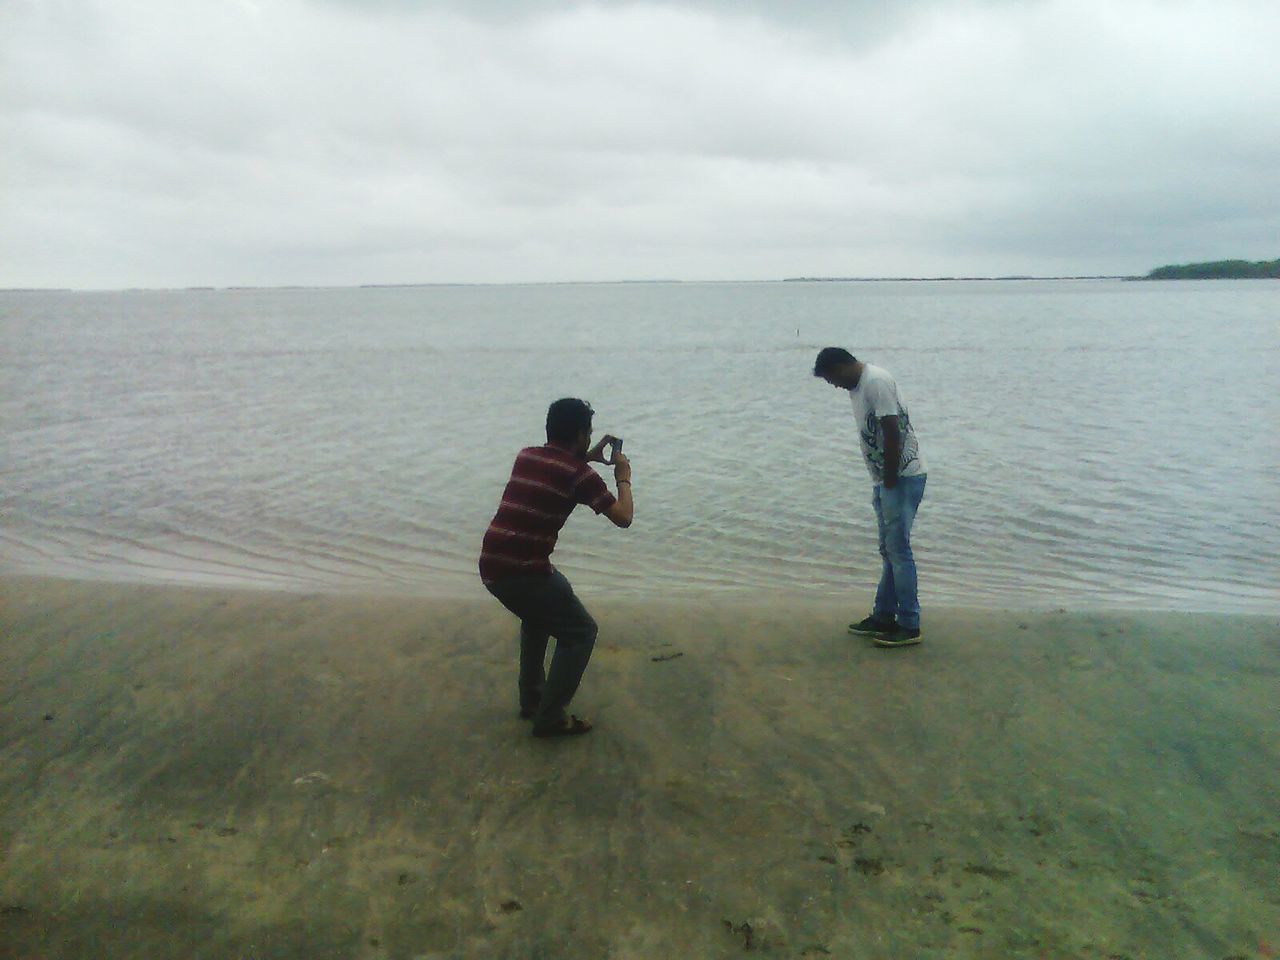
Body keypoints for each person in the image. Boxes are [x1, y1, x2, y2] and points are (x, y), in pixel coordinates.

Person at [479, 398, 633, 737]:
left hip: (493, 564)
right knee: (581, 632)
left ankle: (533, 700)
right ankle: (549, 717)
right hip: (523, 571)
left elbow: (561, 467)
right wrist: (623, 477)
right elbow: (623, 518)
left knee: (539, 616)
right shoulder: (581, 476)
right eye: (587, 434)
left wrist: (587, 455)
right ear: (580, 434)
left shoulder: (528, 455)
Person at [813, 347, 928, 648]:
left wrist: (889, 480)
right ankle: (883, 615)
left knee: (899, 551)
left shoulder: (875, 380)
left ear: (842, 366)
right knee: (888, 550)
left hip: (901, 477)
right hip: (885, 479)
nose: (834, 385)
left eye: (832, 379)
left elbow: (893, 430)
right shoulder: (859, 385)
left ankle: (909, 624)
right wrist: (881, 481)